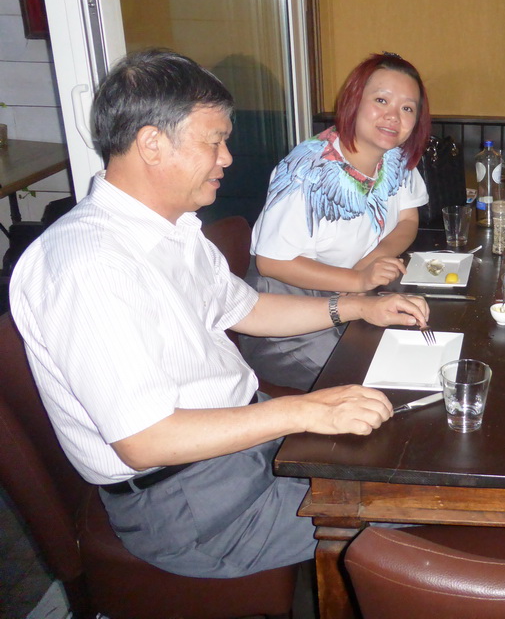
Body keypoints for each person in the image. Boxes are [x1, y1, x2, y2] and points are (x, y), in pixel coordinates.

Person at [9, 49, 429, 579]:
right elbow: (146, 441)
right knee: (421, 503)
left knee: (407, 450)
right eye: (215, 141)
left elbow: (249, 308)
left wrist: (360, 306)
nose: (227, 157)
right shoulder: (88, 265)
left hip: (240, 445)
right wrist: (304, 412)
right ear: (152, 144)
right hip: (193, 509)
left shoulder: (173, 230)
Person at [240, 52, 431, 390]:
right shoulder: (307, 171)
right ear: (354, 101)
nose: (393, 116)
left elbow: (407, 219)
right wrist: (358, 280)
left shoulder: (396, 156)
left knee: (420, 359)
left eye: (407, 108)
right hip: (288, 320)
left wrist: (369, 263)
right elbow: (270, 262)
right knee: (380, 384)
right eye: (381, 100)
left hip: (355, 298)